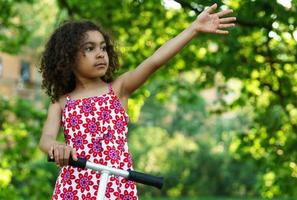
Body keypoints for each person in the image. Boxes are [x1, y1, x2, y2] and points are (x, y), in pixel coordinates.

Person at [38, 3, 236, 199]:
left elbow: (154, 61)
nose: (100, 54)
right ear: (68, 57)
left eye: (103, 48)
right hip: (74, 189)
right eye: (89, 48)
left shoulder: (118, 89)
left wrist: (193, 29)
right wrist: (57, 147)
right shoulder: (61, 102)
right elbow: (46, 139)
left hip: (117, 187)